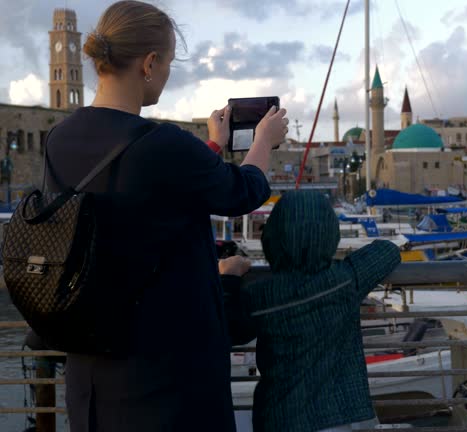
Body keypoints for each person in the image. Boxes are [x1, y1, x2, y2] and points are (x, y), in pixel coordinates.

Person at [43, 1, 288, 431]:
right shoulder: (165, 144)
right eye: (170, 61)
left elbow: (144, 201)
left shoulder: (60, 138)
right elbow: (243, 192)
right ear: (150, 63)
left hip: (92, 376)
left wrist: (210, 147)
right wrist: (264, 140)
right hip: (166, 377)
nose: (168, 72)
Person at [222, 191, 402, 432]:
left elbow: (228, 329)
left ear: (274, 236)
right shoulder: (347, 279)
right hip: (345, 414)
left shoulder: (260, 296)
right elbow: (388, 250)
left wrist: (229, 278)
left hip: (282, 418)